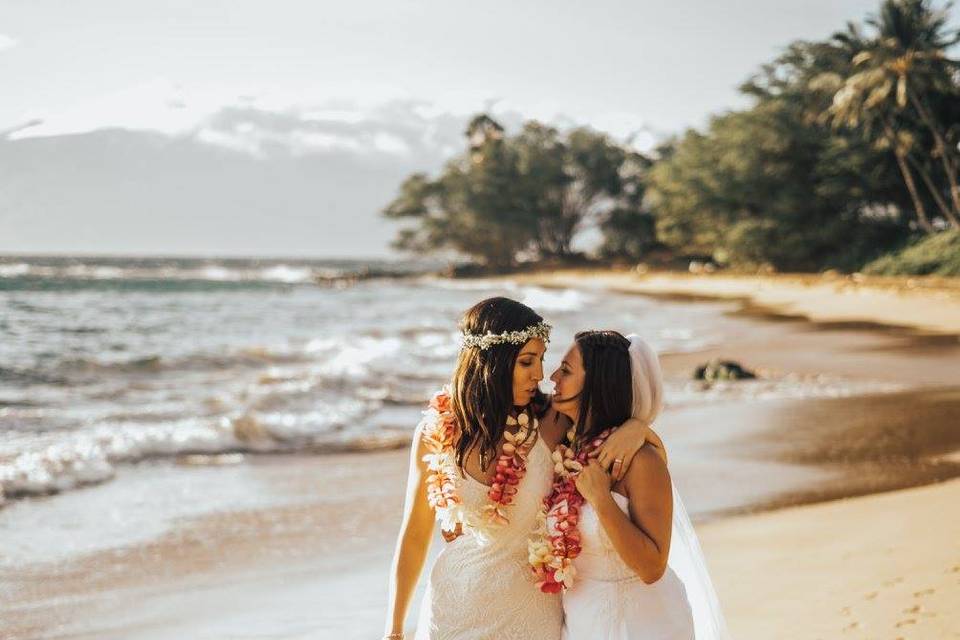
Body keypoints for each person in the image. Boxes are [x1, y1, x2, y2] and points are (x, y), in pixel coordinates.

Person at [383, 299, 655, 640]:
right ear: (492, 361)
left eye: (541, 360)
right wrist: (393, 630)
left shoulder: (553, 422)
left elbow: (612, 413)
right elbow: (413, 535)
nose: (540, 375)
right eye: (527, 362)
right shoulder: (437, 433)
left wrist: (639, 428)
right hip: (453, 607)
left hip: (531, 611)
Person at [548, 330, 730, 640]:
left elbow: (652, 567)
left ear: (598, 384)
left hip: (640, 625)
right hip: (580, 622)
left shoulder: (640, 461)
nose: (552, 376)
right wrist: (637, 426)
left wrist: (601, 499)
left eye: (566, 370)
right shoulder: (565, 447)